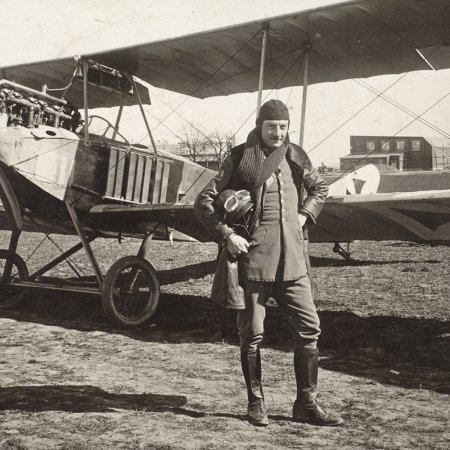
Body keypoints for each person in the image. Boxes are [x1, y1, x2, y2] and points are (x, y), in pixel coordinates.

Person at [194, 99, 343, 427]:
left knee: (310, 328)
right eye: (271, 126)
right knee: (253, 333)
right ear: (260, 126)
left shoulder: (295, 155)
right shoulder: (239, 157)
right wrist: (226, 235)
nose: (278, 133)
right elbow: (203, 200)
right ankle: (256, 402)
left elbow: (320, 188)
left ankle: (306, 402)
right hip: (254, 261)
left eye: (283, 127)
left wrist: (305, 214)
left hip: (293, 261)